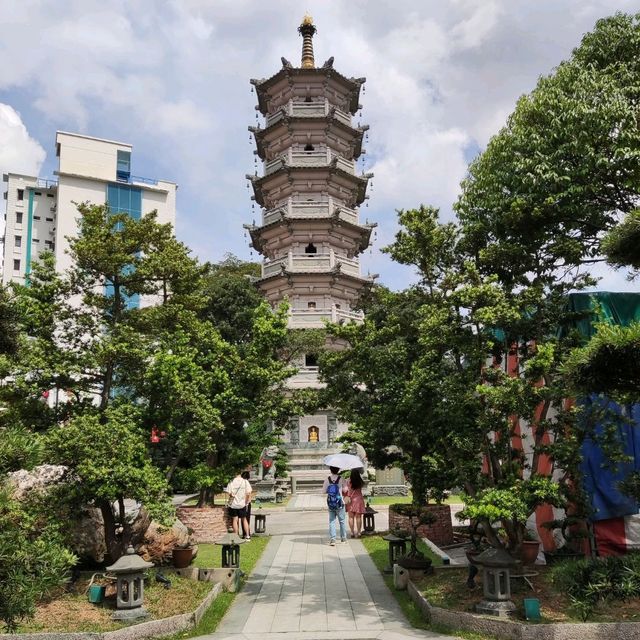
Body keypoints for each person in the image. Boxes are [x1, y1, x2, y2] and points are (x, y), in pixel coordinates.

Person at [224, 471, 252, 541]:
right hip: (242, 504)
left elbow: (229, 493)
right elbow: (248, 493)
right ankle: (247, 536)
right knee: (244, 519)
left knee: (235, 520)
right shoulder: (245, 481)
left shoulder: (231, 481)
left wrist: (232, 496)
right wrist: (246, 501)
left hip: (233, 504)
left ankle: (236, 537)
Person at [322, 466, 346, 546]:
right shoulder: (341, 479)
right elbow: (346, 490)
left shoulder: (327, 479)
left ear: (330, 470)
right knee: (342, 521)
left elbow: (323, 491)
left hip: (331, 503)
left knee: (332, 521)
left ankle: (333, 539)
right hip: (340, 502)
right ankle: (343, 538)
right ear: (338, 470)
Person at [343, 469, 366, 538]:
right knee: (358, 517)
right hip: (359, 500)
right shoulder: (360, 481)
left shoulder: (347, 481)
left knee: (351, 517)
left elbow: (345, 490)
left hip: (350, 500)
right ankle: (359, 532)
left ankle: (352, 532)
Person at [241, 470, 253, 539]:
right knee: (246, 519)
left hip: (241, 502)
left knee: (242, 519)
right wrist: (246, 502)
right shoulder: (246, 482)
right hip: (246, 503)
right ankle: (246, 533)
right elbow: (248, 493)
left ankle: (244, 533)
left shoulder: (241, 482)